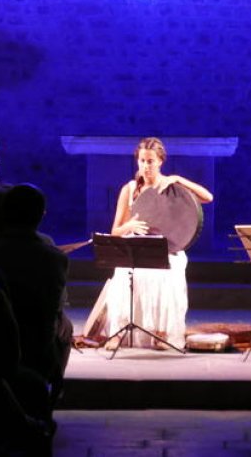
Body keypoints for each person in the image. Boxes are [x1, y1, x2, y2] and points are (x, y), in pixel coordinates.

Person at [84, 137, 213, 351]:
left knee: (166, 273)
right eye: (142, 161)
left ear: (160, 161)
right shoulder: (130, 188)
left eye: (150, 161)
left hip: (166, 247)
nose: (146, 166)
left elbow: (207, 197)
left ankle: (159, 332)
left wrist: (179, 179)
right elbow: (116, 230)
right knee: (124, 274)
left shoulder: (171, 186)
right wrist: (130, 226)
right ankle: (119, 331)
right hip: (136, 245)